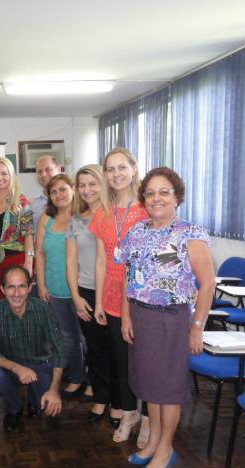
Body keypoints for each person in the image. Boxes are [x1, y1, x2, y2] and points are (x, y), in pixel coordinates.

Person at [119, 167, 215, 468]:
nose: (156, 198)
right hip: (141, 316)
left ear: (177, 197)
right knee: (150, 386)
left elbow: (207, 284)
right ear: (143, 198)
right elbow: (128, 275)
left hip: (171, 320)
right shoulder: (136, 231)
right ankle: (154, 442)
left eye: (164, 192)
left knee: (168, 389)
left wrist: (196, 326)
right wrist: (126, 314)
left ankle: (165, 448)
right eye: (150, 193)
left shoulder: (189, 233)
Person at [88, 147, 149, 444]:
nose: (116, 174)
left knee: (147, 361)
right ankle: (128, 412)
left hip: (143, 297)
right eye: (110, 169)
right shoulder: (101, 214)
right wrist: (99, 301)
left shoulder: (149, 209)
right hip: (112, 296)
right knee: (121, 359)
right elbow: (100, 260)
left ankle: (148, 418)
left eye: (121, 167)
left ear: (133, 169)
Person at [0, 265, 67, 433]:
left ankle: (34, 399)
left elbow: (60, 350)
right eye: (11, 287)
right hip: (12, 367)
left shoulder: (43, 309)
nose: (16, 293)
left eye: (22, 286)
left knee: (47, 406)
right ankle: (15, 407)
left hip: (41, 365)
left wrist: (54, 390)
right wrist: (17, 368)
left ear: (30, 288)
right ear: (2, 289)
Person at [66, 164, 111, 419]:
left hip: (113, 293)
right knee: (94, 349)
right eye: (81, 185)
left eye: (92, 184)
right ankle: (101, 399)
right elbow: (71, 263)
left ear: (102, 183)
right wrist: (76, 298)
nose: (87, 190)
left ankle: (120, 402)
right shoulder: (76, 221)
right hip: (86, 292)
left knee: (114, 351)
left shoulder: (113, 216)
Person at [35, 174, 85, 397]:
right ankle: (76, 376)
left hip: (80, 289)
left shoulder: (83, 217)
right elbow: (39, 253)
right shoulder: (47, 218)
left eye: (63, 189)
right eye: (53, 192)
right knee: (67, 335)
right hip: (54, 289)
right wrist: (42, 285)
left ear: (73, 189)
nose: (58, 195)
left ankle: (90, 379)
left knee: (86, 337)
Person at [0, 157, 34, 299]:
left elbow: (29, 234)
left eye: (4, 173)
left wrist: (29, 263)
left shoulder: (21, 201)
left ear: (11, 175)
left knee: (19, 303)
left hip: (17, 260)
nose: (0, 177)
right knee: (3, 305)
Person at [30, 155, 62, 230]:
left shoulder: (72, 200)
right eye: (39, 171)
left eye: (48, 170)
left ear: (59, 169)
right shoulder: (32, 204)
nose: (43, 175)